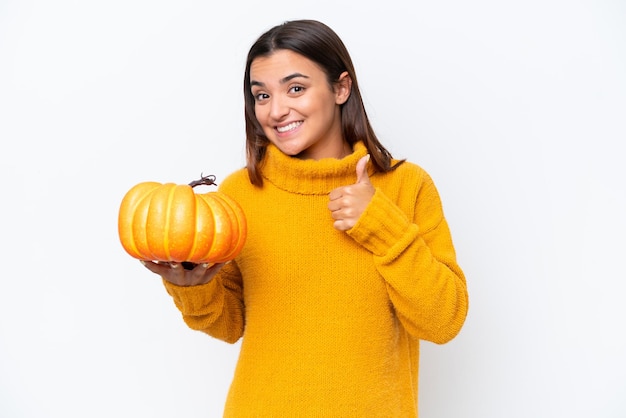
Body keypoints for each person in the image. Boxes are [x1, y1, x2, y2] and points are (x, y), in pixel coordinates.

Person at [141, 19, 469, 417]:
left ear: (341, 88)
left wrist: (381, 225)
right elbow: (228, 326)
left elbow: (443, 321)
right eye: (261, 95)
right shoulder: (239, 194)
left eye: (295, 88)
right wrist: (190, 286)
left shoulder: (405, 185)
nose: (276, 110)